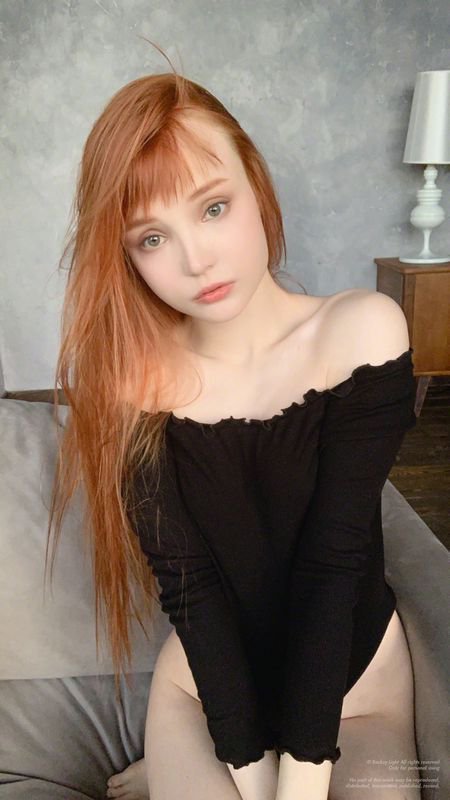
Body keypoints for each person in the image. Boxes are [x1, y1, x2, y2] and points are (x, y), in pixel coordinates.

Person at [47, 55, 421, 800]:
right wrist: (246, 770)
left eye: (213, 208)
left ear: (257, 183)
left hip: (357, 694)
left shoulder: (361, 331)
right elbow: (188, 585)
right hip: (208, 693)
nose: (196, 259)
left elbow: (333, 565)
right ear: (126, 258)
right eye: (152, 238)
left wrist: (299, 786)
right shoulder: (131, 380)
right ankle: (171, 759)